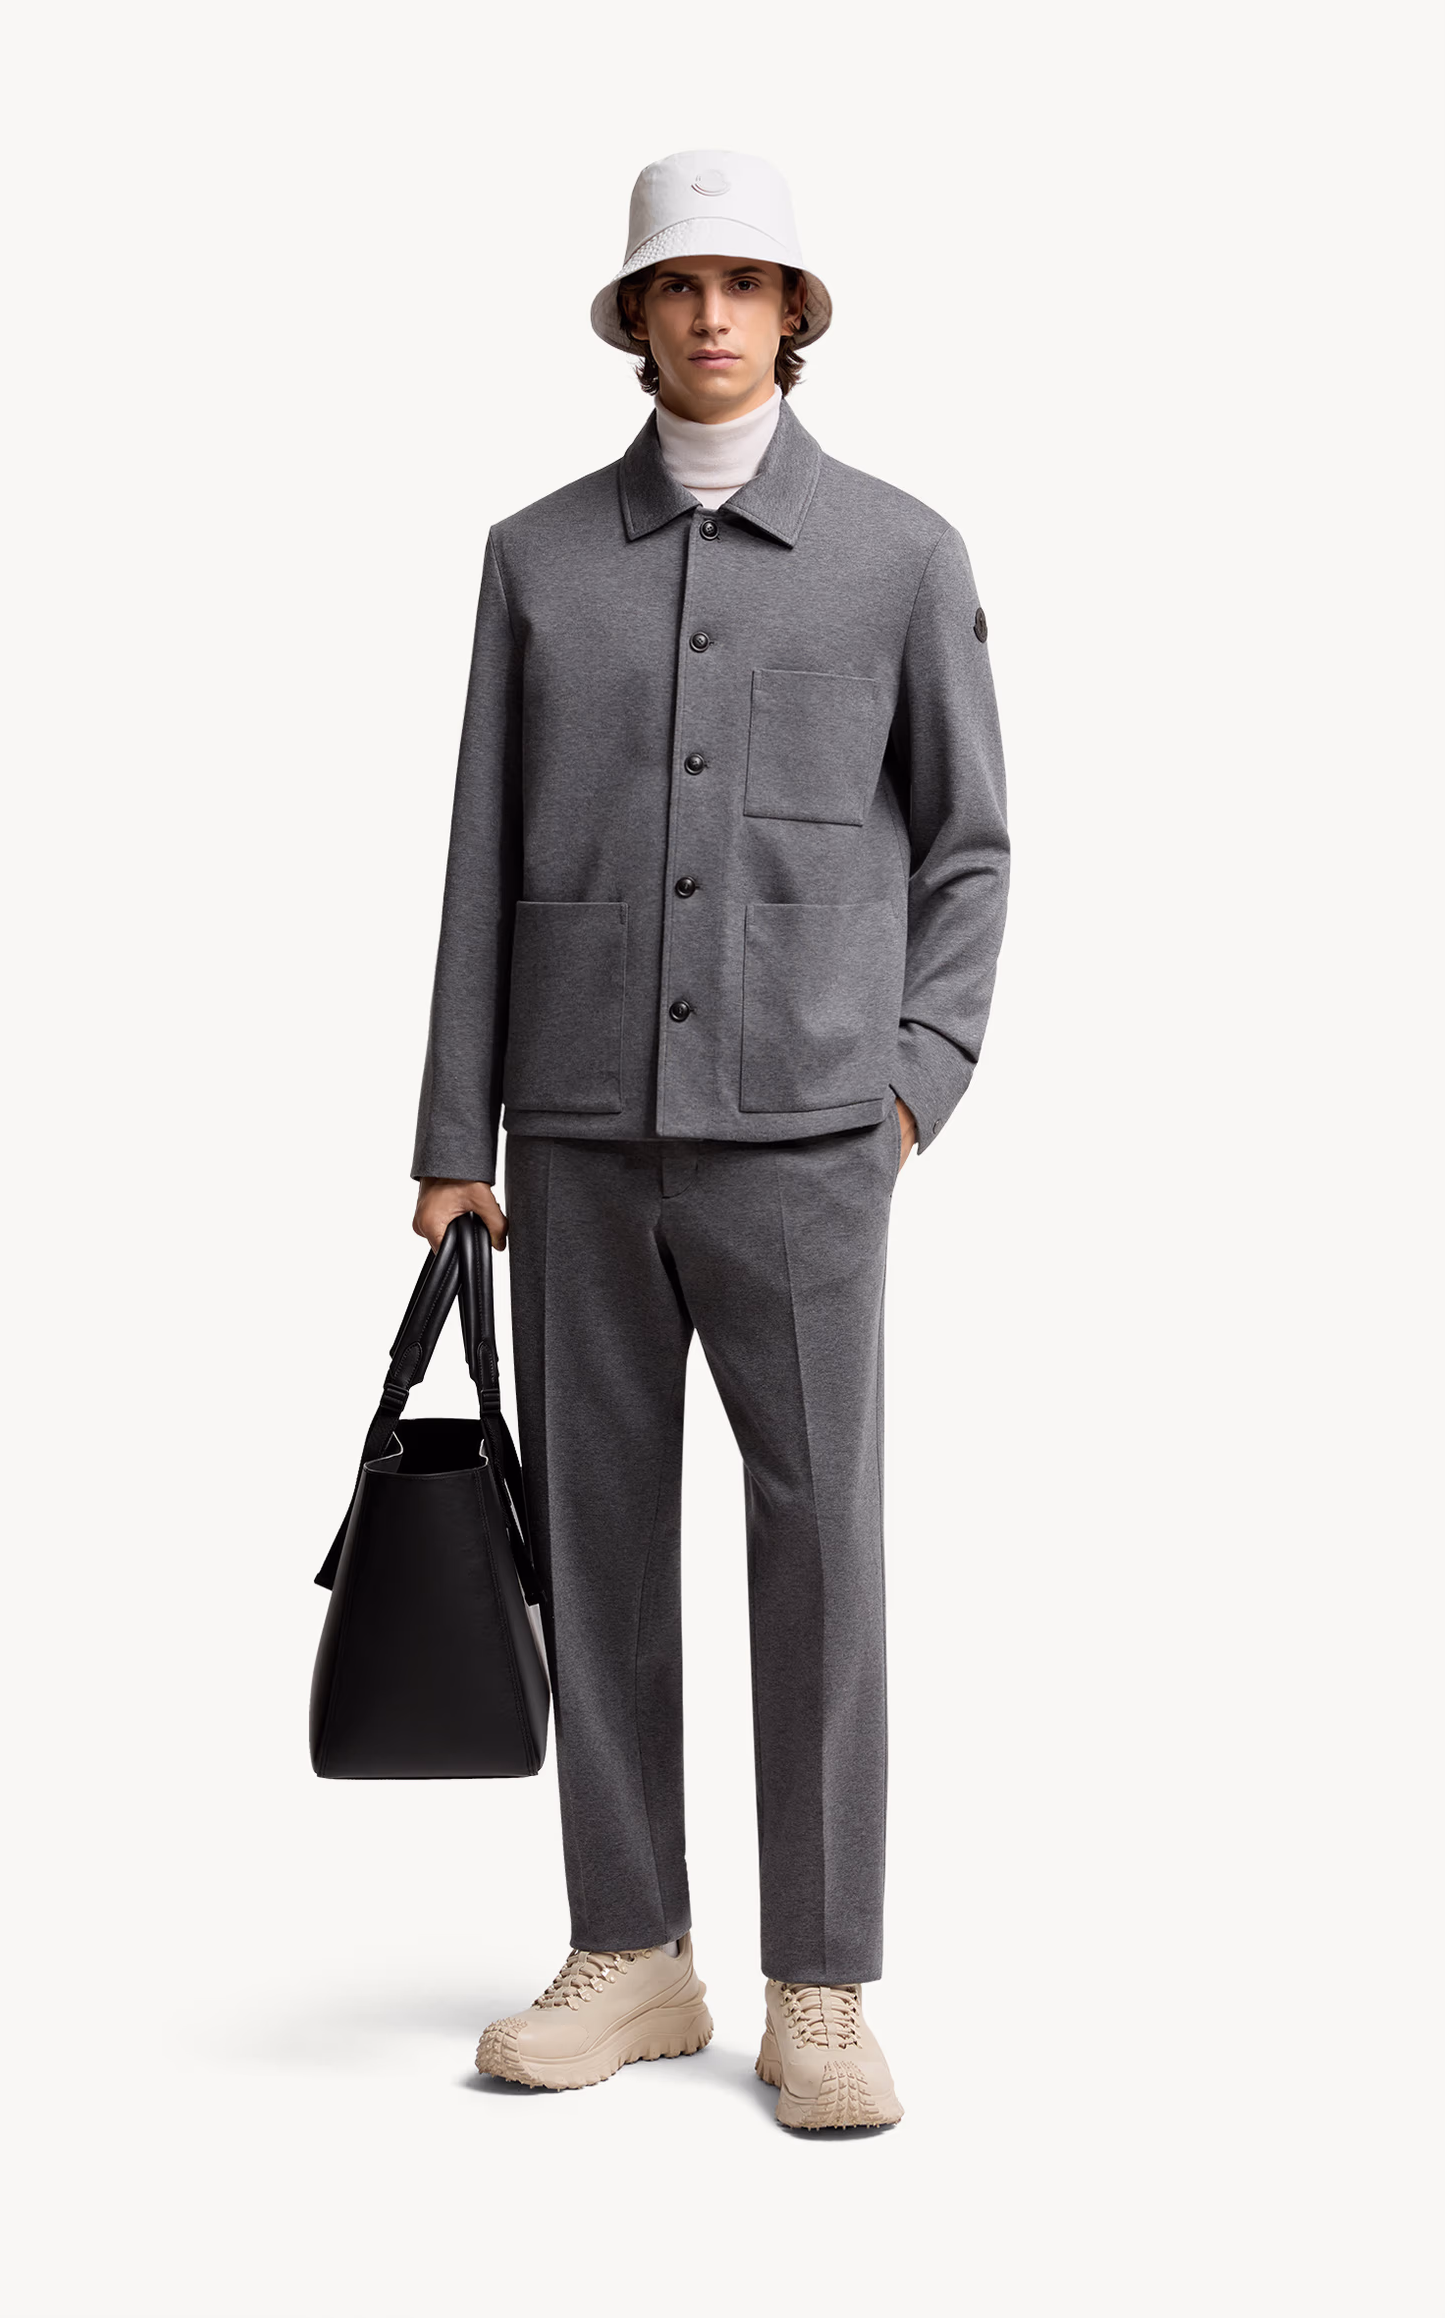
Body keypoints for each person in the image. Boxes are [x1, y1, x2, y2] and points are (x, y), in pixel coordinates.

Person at [409, 149, 1009, 2128]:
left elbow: (969, 845)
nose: (712, 314)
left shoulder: (899, 555)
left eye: (746, 283)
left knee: (818, 1541)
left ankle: (817, 1981)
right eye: (678, 283)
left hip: (812, 1140)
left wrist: (911, 1076)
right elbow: (479, 854)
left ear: (794, 314)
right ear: (635, 316)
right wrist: (456, 1129)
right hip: (576, 1131)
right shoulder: (532, 558)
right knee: (595, 1547)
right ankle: (632, 1948)